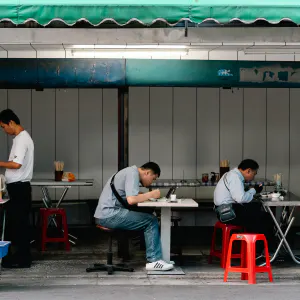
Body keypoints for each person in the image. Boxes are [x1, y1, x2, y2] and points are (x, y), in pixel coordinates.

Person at [94, 162, 174, 271]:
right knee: (151, 221)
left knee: (148, 216)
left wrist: (145, 196)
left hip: (105, 214)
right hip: (109, 215)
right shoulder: (133, 174)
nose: (152, 182)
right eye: (153, 178)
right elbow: (131, 200)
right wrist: (151, 194)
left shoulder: (129, 171)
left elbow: (132, 195)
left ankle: (159, 258)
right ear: (147, 172)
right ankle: (154, 260)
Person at [214, 159, 274, 251]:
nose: (254, 177)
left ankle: (254, 250)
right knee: (265, 218)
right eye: (254, 173)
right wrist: (254, 190)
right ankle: (264, 251)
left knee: (257, 214)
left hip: (225, 210)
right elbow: (240, 198)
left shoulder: (231, 175)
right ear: (248, 170)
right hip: (228, 213)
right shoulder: (235, 177)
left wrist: (251, 191)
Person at [0, 109, 34, 268]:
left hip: (19, 187)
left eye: (3, 126)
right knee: (18, 223)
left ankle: (22, 258)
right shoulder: (22, 138)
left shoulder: (21, 139)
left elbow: (16, 164)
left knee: (19, 224)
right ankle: (19, 256)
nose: (4, 130)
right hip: (19, 187)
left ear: (11, 123)